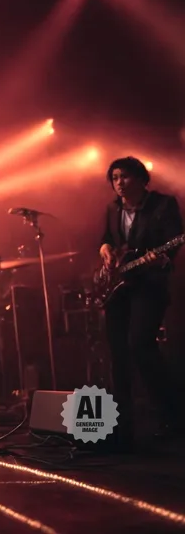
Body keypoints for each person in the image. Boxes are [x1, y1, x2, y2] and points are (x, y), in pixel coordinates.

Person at [99, 156, 184, 448]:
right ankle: (122, 424)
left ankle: (170, 414)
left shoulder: (163, 204)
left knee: (140, 345)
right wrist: (105, 249)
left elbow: (174, 241)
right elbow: (106, 238)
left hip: (149, 286)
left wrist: (160, 258)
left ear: (141, 178)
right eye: (114, 178)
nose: (119, 183)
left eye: (124, 176)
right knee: (117, 353)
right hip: (119, 287)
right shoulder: (112, 208)